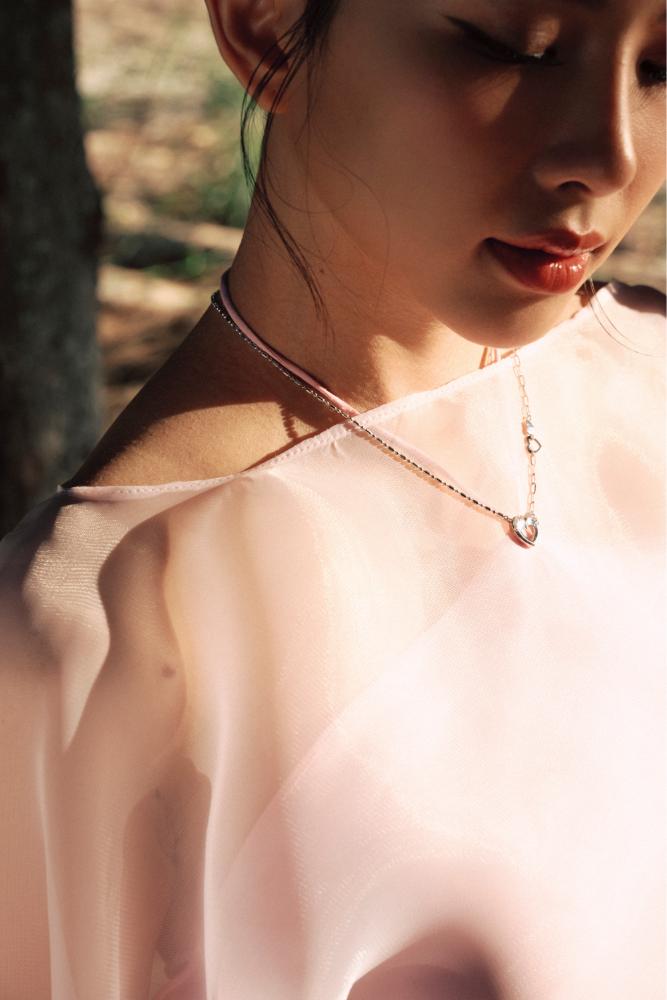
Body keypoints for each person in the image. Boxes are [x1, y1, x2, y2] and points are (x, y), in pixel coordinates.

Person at [1, 0, 665, 996]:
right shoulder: (98, 643)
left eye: (661, 68)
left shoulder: (647, 384)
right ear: (264, 25)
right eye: (515, 47)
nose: (610, 157)